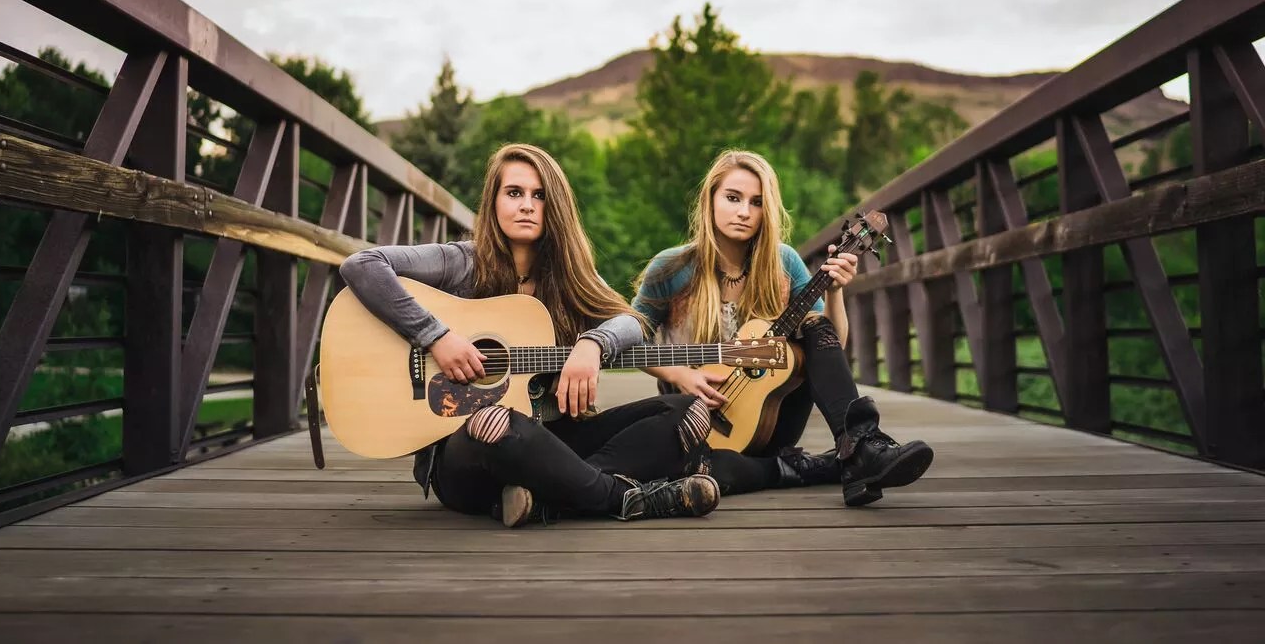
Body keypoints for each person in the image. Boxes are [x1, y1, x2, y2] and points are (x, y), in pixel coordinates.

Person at [339, 143, 719, 527]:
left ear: (556, 206)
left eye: (539, 196)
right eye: (514, 193)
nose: (527, 205)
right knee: (496, 421)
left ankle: (551, 498)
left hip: (554, 439)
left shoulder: (572, 276)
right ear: (493, 201)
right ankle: (623, 498)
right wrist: (436, 337)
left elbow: (632, 322)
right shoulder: (462, 261)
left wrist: (592, 344)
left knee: (686, 410)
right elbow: (363, 264)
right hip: (470, 457)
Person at [632, 149, 933, 506]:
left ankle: (862, 445)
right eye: (733, 198)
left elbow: (830, 345)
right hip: (698, 421)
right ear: (709, 199)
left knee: (814, 326)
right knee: (705, 471)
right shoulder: (671, 267)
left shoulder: (784, 261)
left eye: (757, 202)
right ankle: (817, 467)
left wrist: (835, 292)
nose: (744, 212)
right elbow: (630, 340)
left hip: (769, 415)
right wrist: (679, 374)